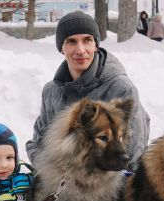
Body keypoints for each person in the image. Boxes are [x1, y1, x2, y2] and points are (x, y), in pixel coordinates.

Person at [26, 11, 150, 168]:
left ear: (96, 45)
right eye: (71, 41)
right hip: (58, 182)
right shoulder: (51, 91)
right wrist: (51, 172)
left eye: (87, 40)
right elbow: (37, 144)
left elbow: (132, 153)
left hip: (109, 185)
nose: (80, 50)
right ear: (61, 48)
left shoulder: (121, 88)